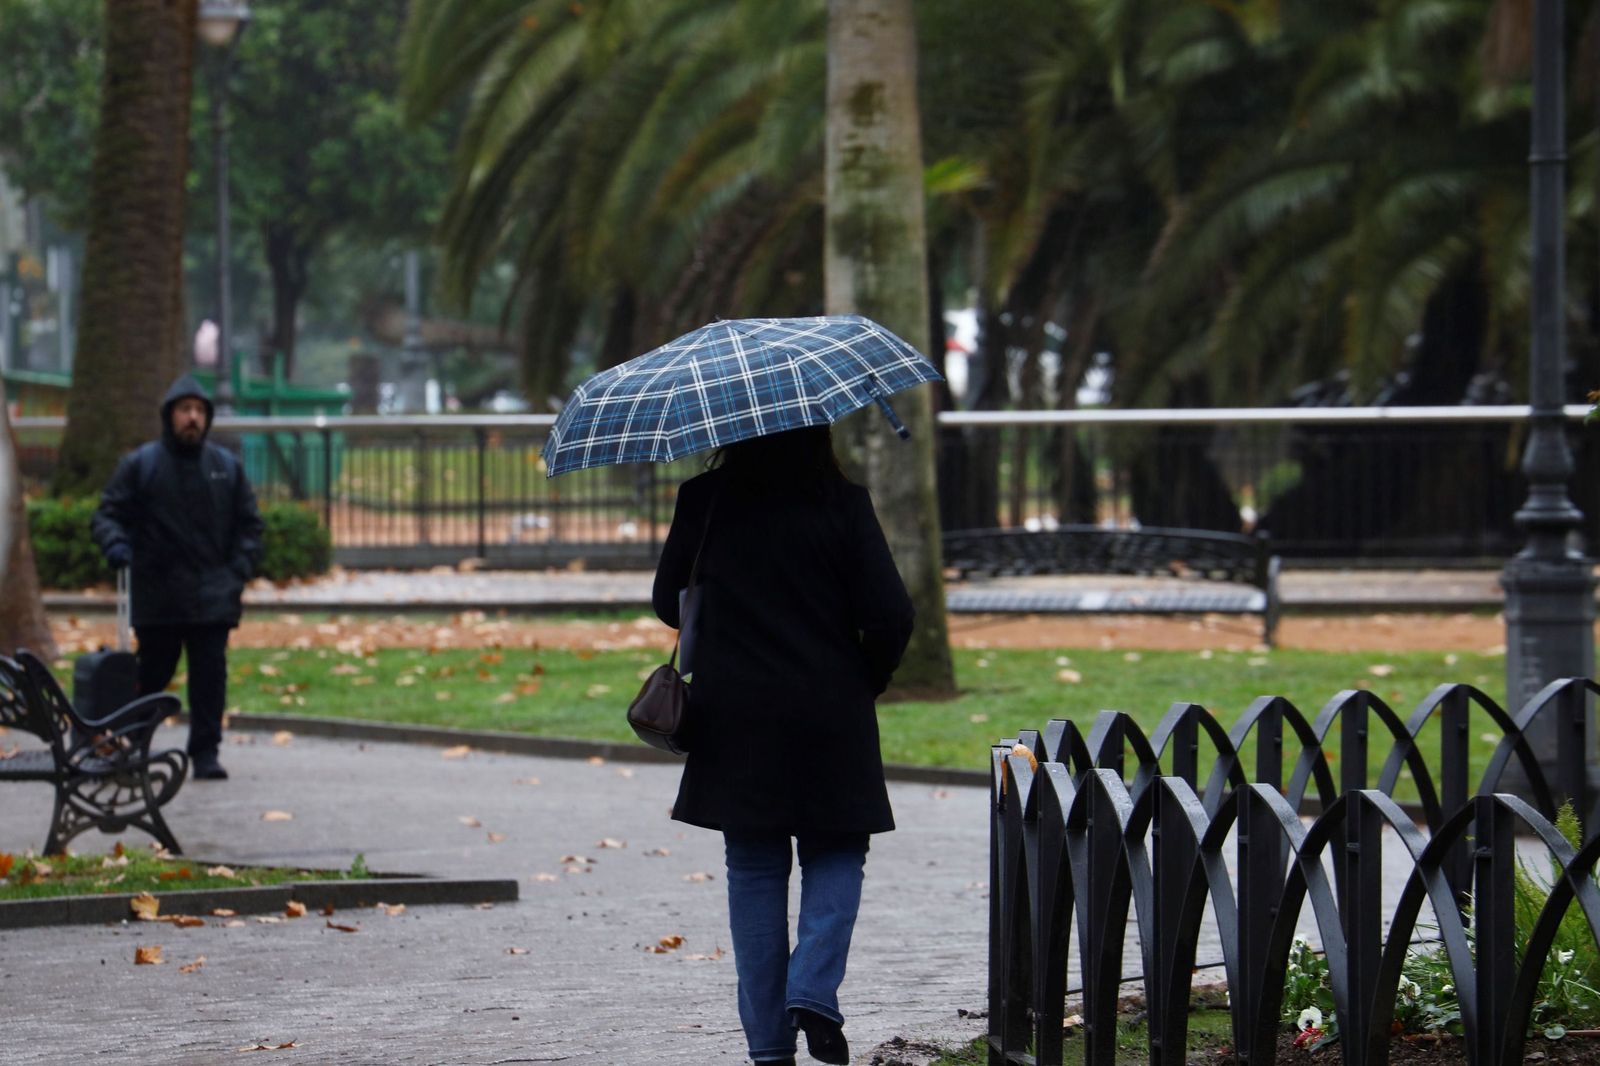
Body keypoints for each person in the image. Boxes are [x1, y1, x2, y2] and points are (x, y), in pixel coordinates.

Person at [652, 425, 914, 1066]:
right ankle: (814, 993)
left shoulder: (704, 499)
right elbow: (891, 613)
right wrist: (866, 675)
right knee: (836, 854)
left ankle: (769, 1046)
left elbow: (667, 602)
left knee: (755, 872)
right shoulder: (842, 502)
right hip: (831, 709)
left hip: (735, 714)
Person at [91, 374, 263, 780]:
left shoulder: (226, 467)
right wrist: (116, 546)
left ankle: (205, 753)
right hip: (158, 595)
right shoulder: (141, 465)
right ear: (169, 416)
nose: (192, 418)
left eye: (199, 411)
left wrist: (237, 571)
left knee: (209, 678)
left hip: (213, 596)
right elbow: (107, 514)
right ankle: (131, 746)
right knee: (151, 676)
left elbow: (249, 525)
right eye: (185, 410)